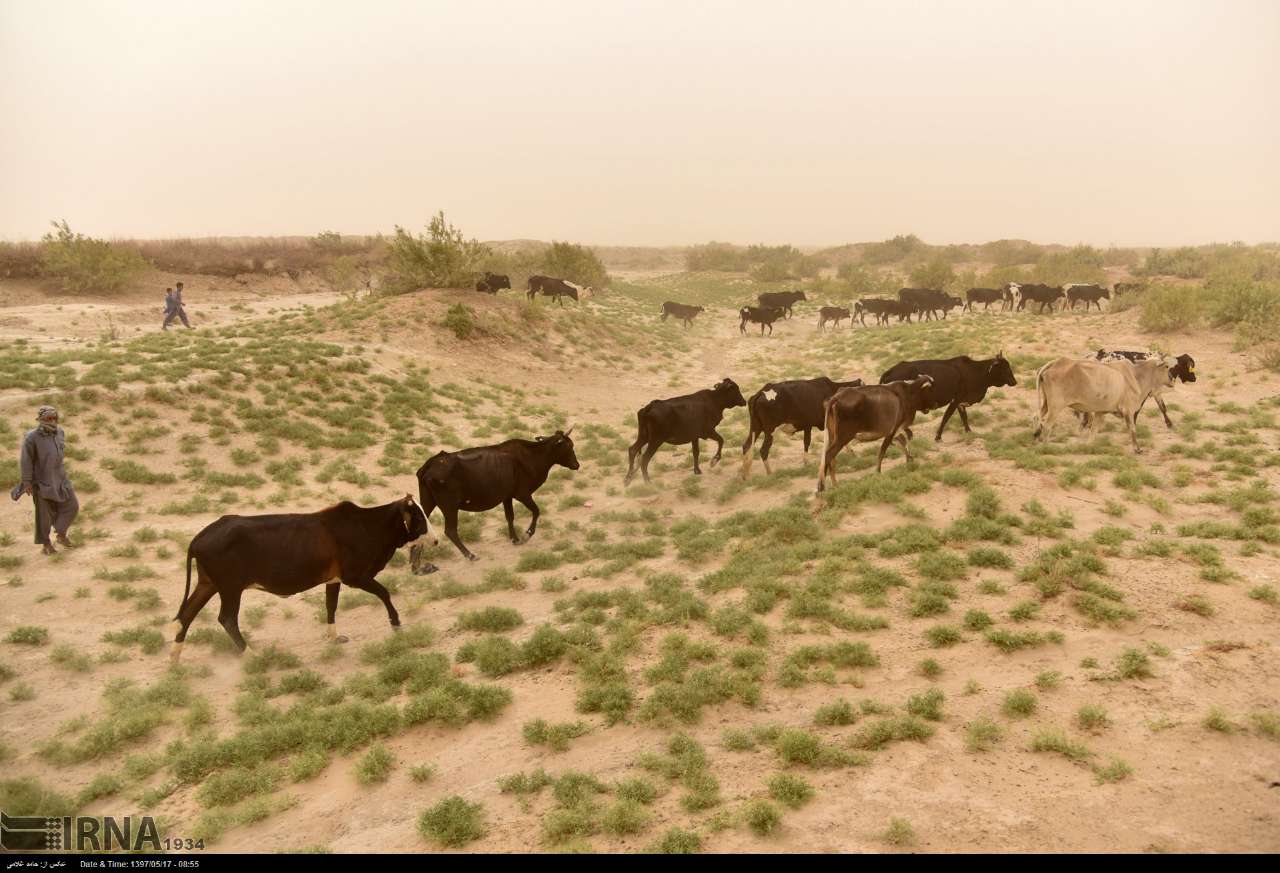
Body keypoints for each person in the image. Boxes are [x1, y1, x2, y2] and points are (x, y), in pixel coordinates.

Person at [18, 406, 79, 555]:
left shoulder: (60, 432)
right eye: (48, 418)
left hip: (60, 478)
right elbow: (26, 461)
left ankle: (61, 534)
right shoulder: (31, 437)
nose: (52, 421)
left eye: (54, 418)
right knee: (44, 516)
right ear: (40, 420)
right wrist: (27, 482)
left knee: (72, 506)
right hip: (42, 482)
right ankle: (46, 544)